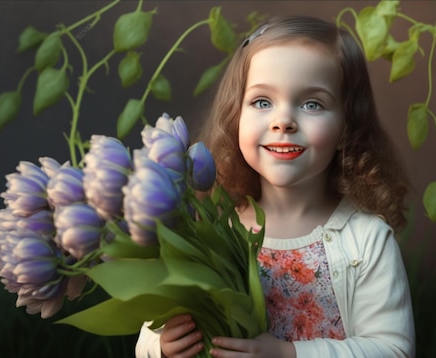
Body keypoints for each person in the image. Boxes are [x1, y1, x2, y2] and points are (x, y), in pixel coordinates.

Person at [136, 15, 415, 358]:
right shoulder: (216, 229)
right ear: (236, 115)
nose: (283, 121)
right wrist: (161, 347)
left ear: (347, 125)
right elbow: (152, 328)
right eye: (262, 102)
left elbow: (393, 349)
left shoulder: (366, 240)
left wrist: (288, 354)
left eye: (312, 103)